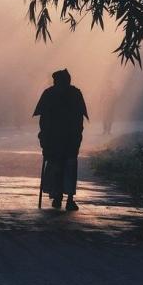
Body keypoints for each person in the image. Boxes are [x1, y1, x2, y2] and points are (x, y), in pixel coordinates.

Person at [33, 69, 88, 211]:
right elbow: (79, 119)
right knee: (67, 167)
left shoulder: (50, 94)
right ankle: (67, 198)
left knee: (58, 166)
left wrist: (44, 137)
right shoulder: (74, 93)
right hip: (67, 139)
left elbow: (43, 120)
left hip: (57, 139)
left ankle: (59, 197)